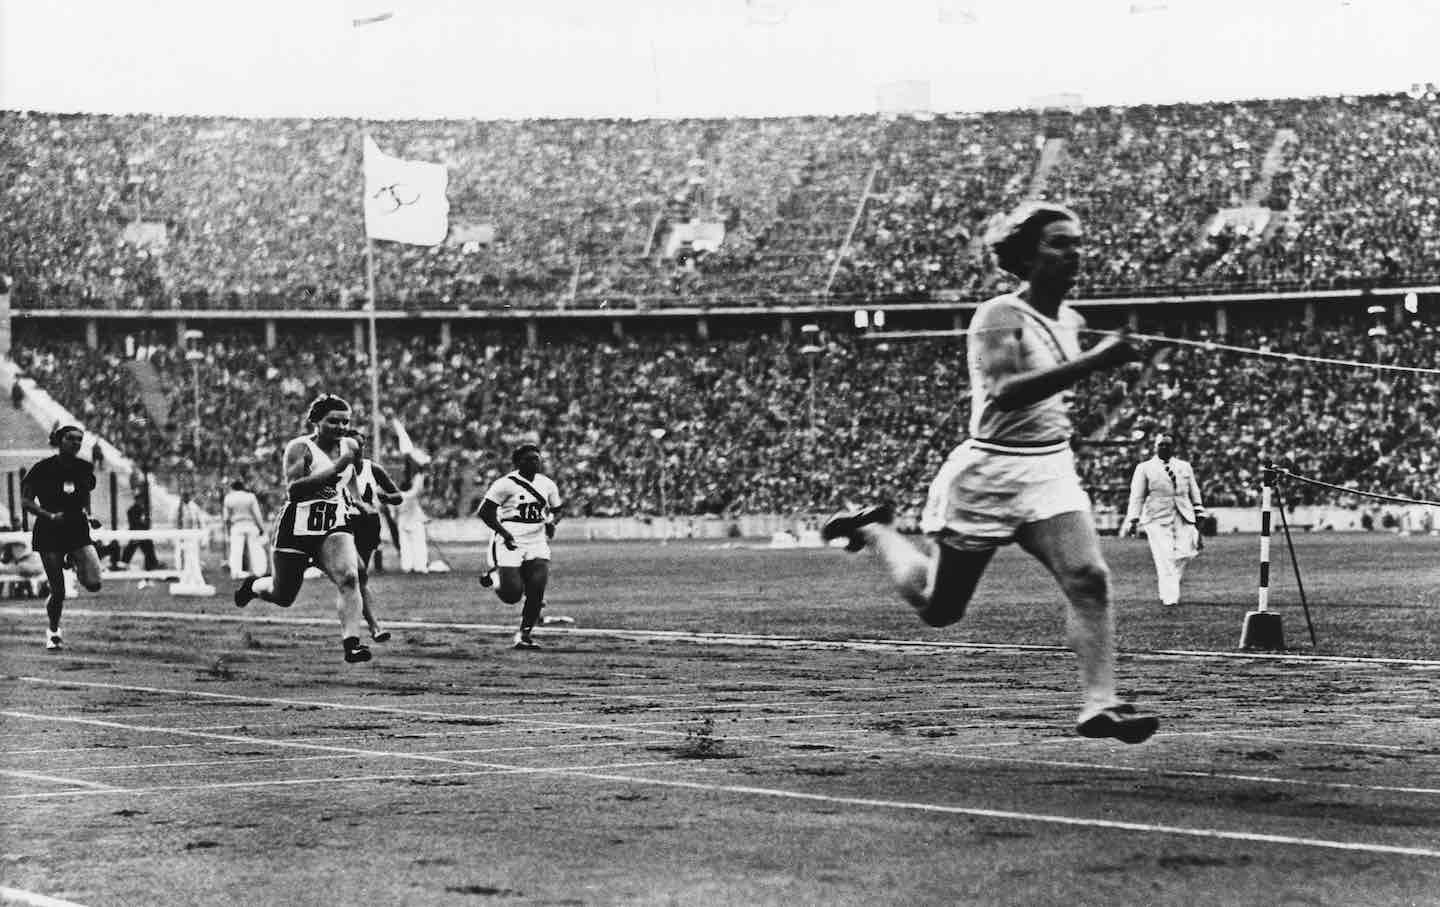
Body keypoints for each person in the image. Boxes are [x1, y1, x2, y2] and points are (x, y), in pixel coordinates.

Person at [821, 202, 1159, 744]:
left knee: (1089, 579)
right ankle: (873, 529)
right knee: (940, 608)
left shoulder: (1071, 320)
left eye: (1077, 243)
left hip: (1049, 467)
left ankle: (1100, 703)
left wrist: (1102, 365)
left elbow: (1052, 396)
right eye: (1058, 243)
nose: (1073, 253)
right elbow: (1004, 393)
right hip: (989, 472)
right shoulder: (999, 314)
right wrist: (1099, 361)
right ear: (1027, 257)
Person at [233, 394, 373, 664]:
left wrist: (357, 501)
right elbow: (295, 490)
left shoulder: (351, 445)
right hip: (296, 528)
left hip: (332, 525)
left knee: (349, 577)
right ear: (316, 422)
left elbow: (352, 476)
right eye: (333, 422)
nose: (341, 428)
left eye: (345, 422)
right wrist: (335, 468)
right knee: (283, 596)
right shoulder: (300, 448)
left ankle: (352, 644)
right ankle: (254, 585)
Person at [21, 424, 103, 650]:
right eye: (70, 438)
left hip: (76, 527)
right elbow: (26, 502)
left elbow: (85, 493)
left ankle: (73, 561)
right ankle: (54, 630)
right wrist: (48, 515)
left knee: (95, 583)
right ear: (59, 441)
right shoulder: (42, 468)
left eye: (79, 439)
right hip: (50, 529)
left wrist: (89, 514)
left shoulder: (84, 467)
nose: (76, 443)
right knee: (59, 591)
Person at [477, 444, 564, 649]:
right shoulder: (504, 484)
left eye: (537, 458)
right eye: (529, 459)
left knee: (537, 588)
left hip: (536, 541)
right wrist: (504, 533)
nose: (535, 462)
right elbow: (485, 512)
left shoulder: (547, 484)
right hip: (510, 540)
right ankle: (496, 576)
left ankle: (525, 634)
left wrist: (552, 522)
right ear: (517, 463)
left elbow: (558, 509)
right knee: (512, 595)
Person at [1123, 433, 1207, 607]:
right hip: (1156, 517)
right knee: (1165, 556)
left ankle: (1169, 587)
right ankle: (1170, 597)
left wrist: (1199, 509)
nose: (1164, 448)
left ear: (1173, 447)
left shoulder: (1184, 466)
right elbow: (1137, 496)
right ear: (1155, 447)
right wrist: (1133, 519)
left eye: (1168, 445)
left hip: (1183, 514)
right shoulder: (1144, 468)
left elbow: (1194, 490)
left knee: (1186, 552)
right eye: (1161, 444)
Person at [346, 448, 404, 643]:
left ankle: (370, 625)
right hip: (343, 524)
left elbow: (398, 496)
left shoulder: (373, 469)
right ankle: (374, 626)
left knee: (360, 578)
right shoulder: (336, 469)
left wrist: (385, 498)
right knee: (356, 574)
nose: (357, 452)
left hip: (368, 524)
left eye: (359, 448)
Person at [222, 478, 268, 579]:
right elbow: (257, 515)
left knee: (236, 550)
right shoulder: (250, 497)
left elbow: (226, 518)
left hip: (237, 526)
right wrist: (261, 528)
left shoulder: (228, 498)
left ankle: (236, 572)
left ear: (232, 487)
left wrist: (228, 530)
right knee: (255, 548)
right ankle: (259, 571)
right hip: (250, 524)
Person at [395, 464, 430, 573]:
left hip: (403, 522)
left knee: (405, 545)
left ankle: (407, 566)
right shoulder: (411, 497)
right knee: (419, 544)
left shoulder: (397, 498)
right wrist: (420, 476)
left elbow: (394, 513)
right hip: (415, 522)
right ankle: (420, 566)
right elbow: (416, 491)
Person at [119, 496, 163, 571]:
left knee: (147, 548)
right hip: (137, 533)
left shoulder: (142, 509)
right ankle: (124, 563)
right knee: (133, 548)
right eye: (140, 500)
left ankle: (152, 564)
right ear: (136, 500)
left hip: (141, 533)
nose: (141, 501)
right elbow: (134, 523)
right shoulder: (132, 510)